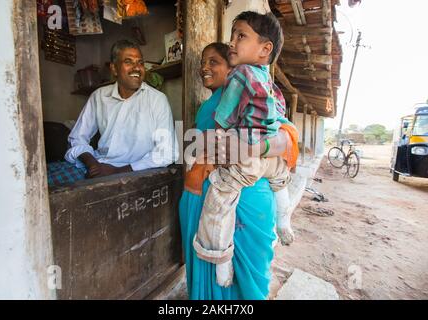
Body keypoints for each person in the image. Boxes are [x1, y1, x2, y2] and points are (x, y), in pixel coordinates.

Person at [179, 42, 298, 299]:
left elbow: (286, 138)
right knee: (205, 272)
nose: (204, 68)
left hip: (240, 198)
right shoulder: (205, 106)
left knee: (242, 282)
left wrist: (249, 149)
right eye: (203, 62)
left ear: (232, 67)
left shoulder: (251, 97)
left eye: (214, 62)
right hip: (200, 194)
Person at [47, 39, 179, 187]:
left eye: (140, 63)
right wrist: (92, 164)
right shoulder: (99, 96)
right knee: (44, 182)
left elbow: (167, 152)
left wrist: (116, 171)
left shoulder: (157, 100)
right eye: (128, 62)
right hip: (99, 166)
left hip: (136, 171)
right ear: (114, 69)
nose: (137, 68)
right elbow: (77, 138)